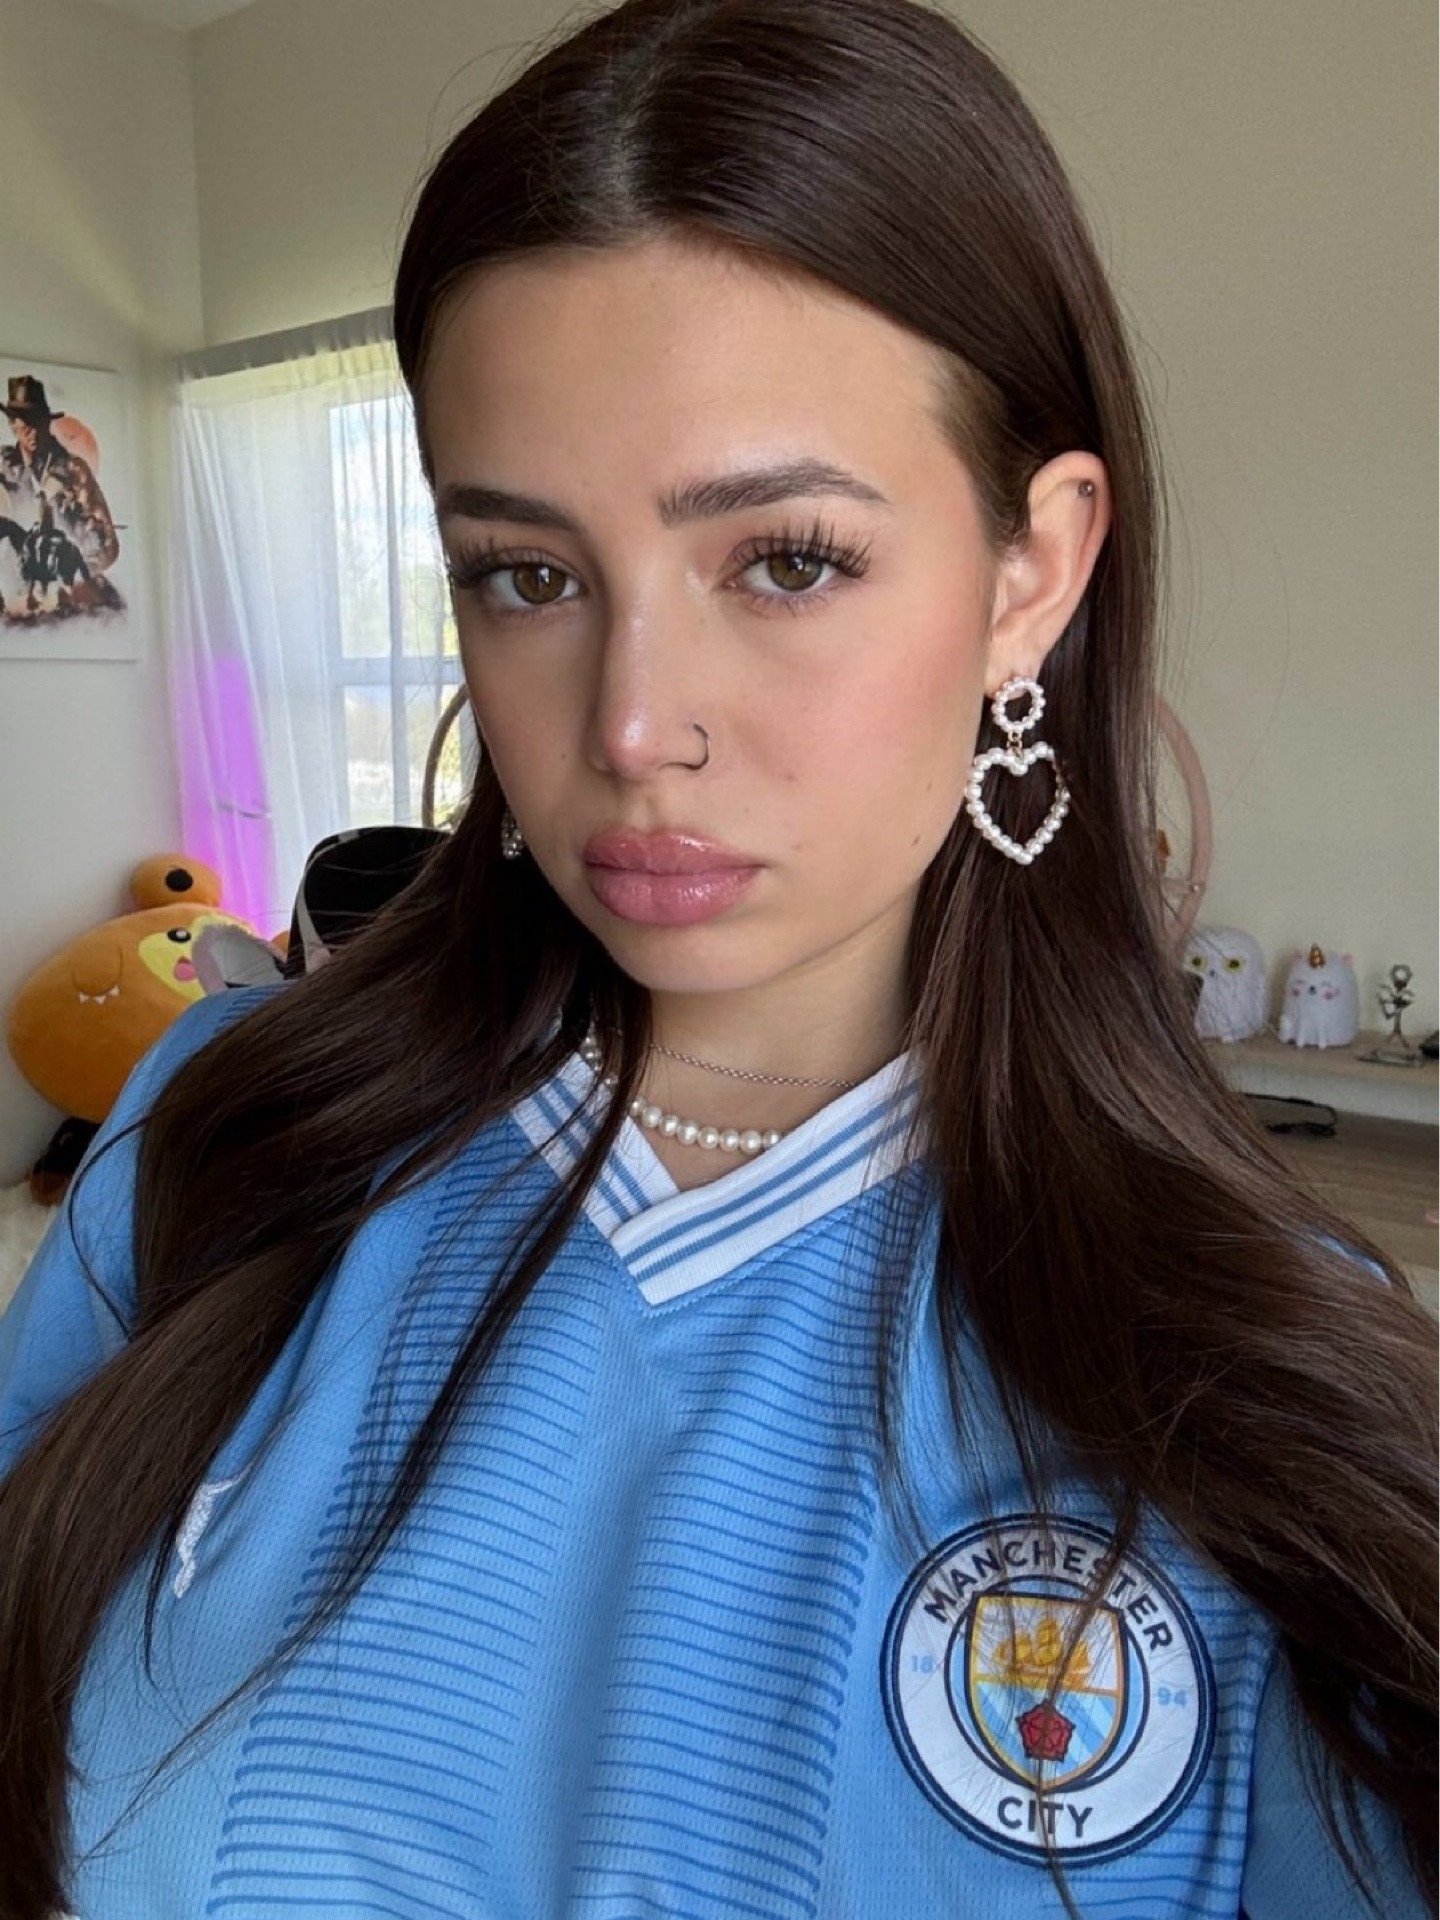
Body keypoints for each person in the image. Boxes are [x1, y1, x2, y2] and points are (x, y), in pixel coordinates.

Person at [0, 1, 1434, 1915]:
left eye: (786, 560)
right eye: (528, 574)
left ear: (1034, 569)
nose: (630, 727)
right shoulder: (218, 1138)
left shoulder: (1259, 1379)